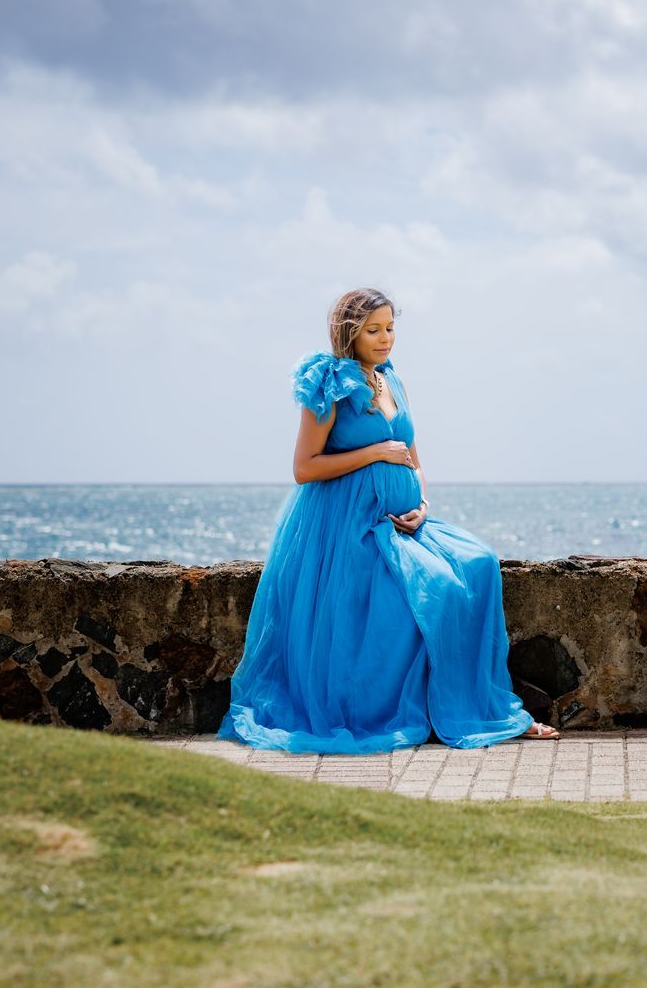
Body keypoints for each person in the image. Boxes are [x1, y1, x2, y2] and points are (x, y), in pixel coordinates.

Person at [218, 287, 559, 752]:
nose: (385, 339)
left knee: (479, 563)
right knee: (432, 593)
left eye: (390, 329)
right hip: (348, 528)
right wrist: (374, 452)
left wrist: (424, 504)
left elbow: (412, 458)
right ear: (349, 332)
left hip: (406, 521)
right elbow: (304, 468)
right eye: (373, 330)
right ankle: (437, 711)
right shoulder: (327, 382)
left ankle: (481, 707)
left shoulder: (392, 381)